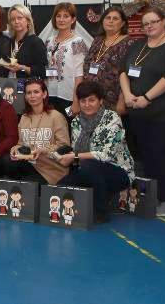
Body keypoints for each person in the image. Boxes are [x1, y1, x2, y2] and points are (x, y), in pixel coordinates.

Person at [120, 7, 165, 217]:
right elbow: (123, 72)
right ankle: (149, 198)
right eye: (145, 24)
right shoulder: (138, 45)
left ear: (163, 21)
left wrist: (147, 98)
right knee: (145, 156)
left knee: (160, 154)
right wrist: (128, 95)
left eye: (153, 22)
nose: (149, 26)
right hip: (137, 111)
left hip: (163, 112)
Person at [57, 82, 135, 223]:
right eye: (83, 101)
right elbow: (76, 151)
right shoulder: (76, 122)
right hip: (87, 169)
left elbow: (106, 155)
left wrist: (75, 156)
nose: (87, 105)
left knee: (89, 165)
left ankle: (101, 212)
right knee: (61, 186)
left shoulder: (112, 118)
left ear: (100, 101)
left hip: (118, 171)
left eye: (91, 100)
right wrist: (65, 157)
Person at [9, 79, 70, 185]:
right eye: (29, 93)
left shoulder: (56, 116)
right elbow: (20, 144)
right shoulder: (24, 117)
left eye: (36, 92)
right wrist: (15, 150)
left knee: (26, 184)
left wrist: (43, 150)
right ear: (25, 96)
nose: (32, 96)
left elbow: (64, 146)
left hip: (50, 169)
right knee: (7, 163)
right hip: (30, 164)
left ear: (44, 94)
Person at [83, 6, 132, 112]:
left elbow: (129, 75)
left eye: (115, 18)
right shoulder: (97, 40)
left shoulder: (128, 43)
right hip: (92, 99)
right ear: (103, 21)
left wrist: (122, 101)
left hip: (114, 101)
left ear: (122, 23)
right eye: (108, 18)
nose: (111, 21)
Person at [45, 2, 88, 118]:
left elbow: (79, 74)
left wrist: (76, 101)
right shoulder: (49, 41)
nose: (61, 19)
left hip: (69, 96)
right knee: (53, 125)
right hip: (50, 94)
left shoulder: (77, 42)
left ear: (73, 19)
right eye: (58, 16)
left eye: (66, 16)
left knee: (68, 125)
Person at [3, 4, 47, 80]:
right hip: (9, 85)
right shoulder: (8, 42)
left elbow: (43, 71)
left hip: (28, 86)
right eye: (13, 19)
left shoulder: (36, 42)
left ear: (28, 20)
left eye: (19, 18)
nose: (16, 21)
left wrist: (22, 68)